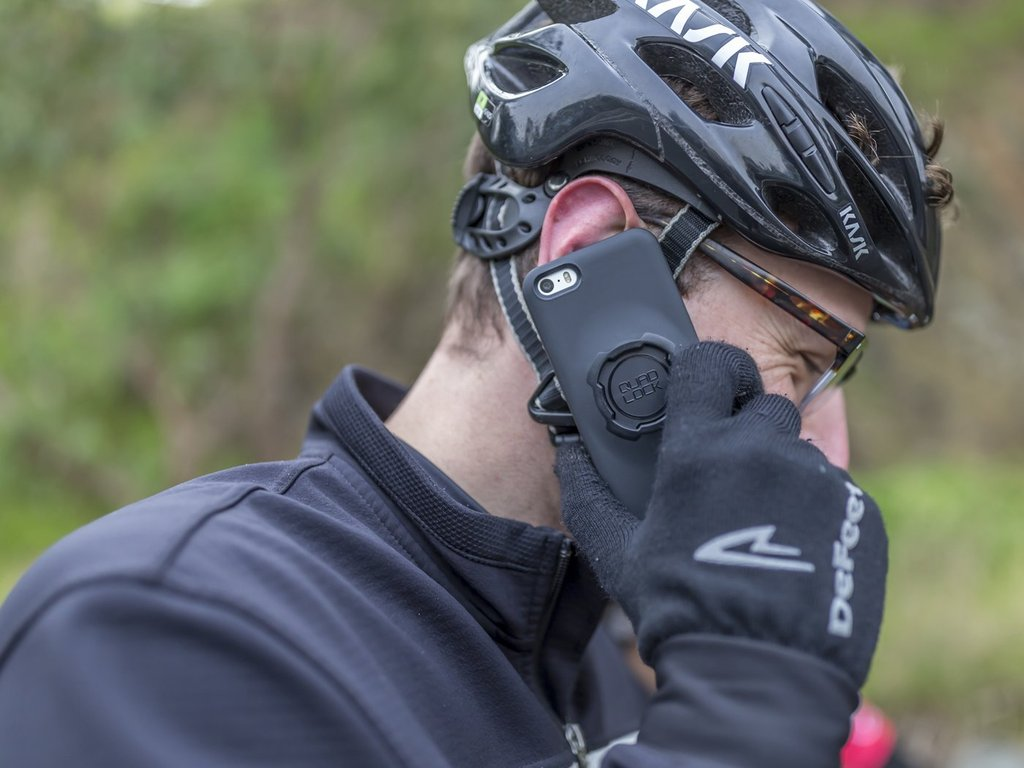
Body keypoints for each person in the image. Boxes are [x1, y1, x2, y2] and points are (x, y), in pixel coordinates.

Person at [0, 0, 954, 766]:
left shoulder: (611, 677)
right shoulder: (165, 637)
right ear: (593, 254)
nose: (828, 447)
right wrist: (746, 724)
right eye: (807, 359)